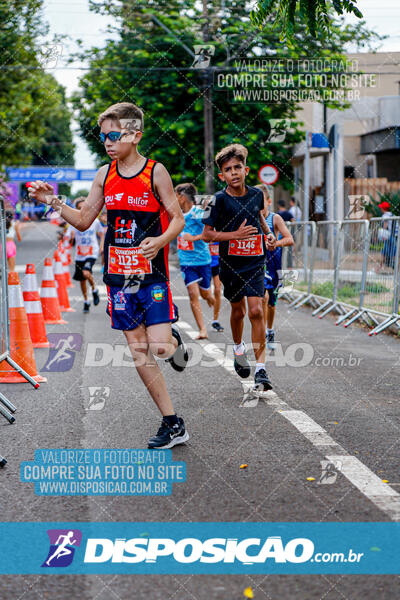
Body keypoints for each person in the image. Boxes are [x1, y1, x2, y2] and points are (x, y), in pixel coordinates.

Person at [29, 101, 189, 450]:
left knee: (160, 347)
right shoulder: (104, 175)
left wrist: (160, 241)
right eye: (103, 136)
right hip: (118, 278)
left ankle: (174, 341)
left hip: (152, 275)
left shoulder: (155, 172)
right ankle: (172, 423)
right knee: (139, 352)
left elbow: (178, 218)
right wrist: (52, 201)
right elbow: (85, 219)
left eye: (114, 135)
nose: (108, 142)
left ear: (135, 135)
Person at [202, 143, 277, 391]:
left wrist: (268, 235)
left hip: (255, 260)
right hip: (230, 264)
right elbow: (207, 235)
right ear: (222, 175)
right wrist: (235, 235)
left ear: (246, 170)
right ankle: (238, 349)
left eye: (237, 167)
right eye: (228, 169)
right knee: (238, 312)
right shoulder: (217, 201)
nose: (233, 172)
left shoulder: (256, 195)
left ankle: (261, 370)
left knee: (256, 310)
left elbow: (259, 218)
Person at [256, 184, 294, 351]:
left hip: (273, 262)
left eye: (261, 202)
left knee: (271, 303)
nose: (258, 206)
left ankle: (270, 330)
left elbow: (289, 239)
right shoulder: (250, 217)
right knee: (262, 297)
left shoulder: (275, 218)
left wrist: (275, 243)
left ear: (269, 201)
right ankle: (261, 332)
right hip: (257, 263)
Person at [175, 183, 215, 339]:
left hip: (203, 260)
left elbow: (211, 232)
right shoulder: (176, 215)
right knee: (193, 294)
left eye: (176, 195)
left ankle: (209, 296)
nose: (174, 199)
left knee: (205, 294)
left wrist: (194, 238)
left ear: (183, 197)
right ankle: (202, 329)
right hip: (186, 262)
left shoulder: (198, 213)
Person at [65, 197, 103, 313]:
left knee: (86, 272)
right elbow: (67, 239)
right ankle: (86, 301)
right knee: (82, 280)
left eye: (84, 207)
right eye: (79, 208)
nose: (82, 209)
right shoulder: (73, 222)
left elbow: (101, 233)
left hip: (92, 251)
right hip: (79, 253)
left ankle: (94, 289)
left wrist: (101, 246)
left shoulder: (94, 221)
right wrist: (70, 238)